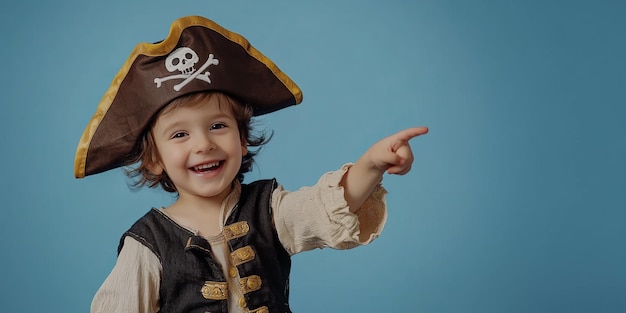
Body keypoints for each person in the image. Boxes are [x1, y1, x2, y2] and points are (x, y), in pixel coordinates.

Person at [75, 16, 428, 313]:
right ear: (154, 160)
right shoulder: (147, 243)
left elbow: (327, 207)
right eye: (180, 135)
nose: (203, 144)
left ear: (242, 140)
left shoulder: (270, 210)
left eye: (217, 126)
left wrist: (372, 163)